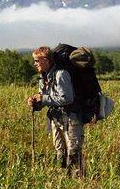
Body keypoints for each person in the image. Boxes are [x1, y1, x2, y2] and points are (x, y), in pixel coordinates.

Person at [27, 46, 84, 177]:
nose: (35, 64)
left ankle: (79, 183)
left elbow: (67, 98)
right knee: (60, 151)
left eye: (37, 60)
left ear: (46, 60)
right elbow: (46, 99)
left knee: (73, 152)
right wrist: (36, 103)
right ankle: (64, 180)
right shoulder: (44, 77)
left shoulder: (61, 74)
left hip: (71, 118)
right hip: (56, 119)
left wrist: (44, 98)